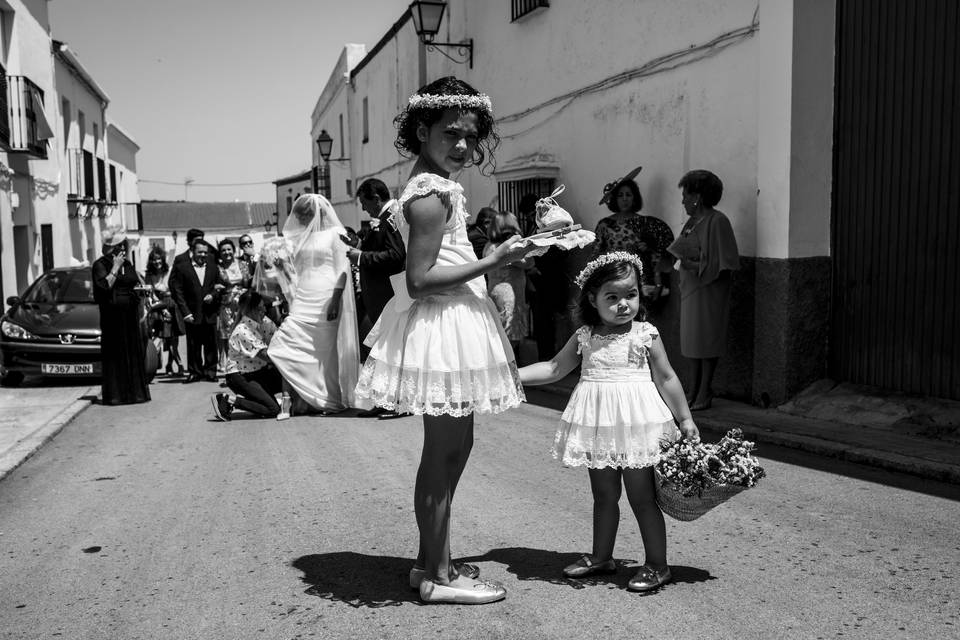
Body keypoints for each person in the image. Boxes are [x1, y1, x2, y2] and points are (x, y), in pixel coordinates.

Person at [355, 76, 538, 605]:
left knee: (456, 446)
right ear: (422, 129)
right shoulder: (430, 194)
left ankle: (429, 561)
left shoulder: (437, 185)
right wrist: (497, 260)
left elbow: (451, 261)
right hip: (444, 325)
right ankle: (439, 574)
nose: (463, 145)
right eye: (451, 132)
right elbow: (419, 279)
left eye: (471, 135)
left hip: (457, 318)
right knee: (442, 452)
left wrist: (494, 280)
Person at [518, 251, 699, 591]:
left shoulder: (646, 333)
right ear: (592, 298)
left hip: (636, 427)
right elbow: (555, 368)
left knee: (642, 496)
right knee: (603, 495)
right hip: (600, 426)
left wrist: (685, 418)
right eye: (611, 297)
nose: (622, 304)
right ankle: (602, 556)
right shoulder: (586, 335)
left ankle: (657, 564)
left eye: (630, 295)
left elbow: (667, 378)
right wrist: (512, 376)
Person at [266, 193, 360, 416]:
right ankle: (292, 400)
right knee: (283, 343)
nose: (303, 219)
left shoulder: (335, 234)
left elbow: (343, 269)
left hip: (327, 295)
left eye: (305, 214)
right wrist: (281, 269)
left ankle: (327, 400)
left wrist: (336, 299)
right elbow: (296, 270)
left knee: (324, 355)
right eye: (301, 215)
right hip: (303, 296)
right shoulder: (301, 238)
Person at [669, 170, 740, 411]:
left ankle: (705, 390)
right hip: (690, 288)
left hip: (710, 291)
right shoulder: (691, 223)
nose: (683, 201)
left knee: (707, 342)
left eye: (685, 195)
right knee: (691, 342)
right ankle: (693, 388)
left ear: (697, 196)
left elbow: (726, 263)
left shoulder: (718, 221)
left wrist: (693, 264)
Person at [348, 178, 408, 418]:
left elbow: (395, 255)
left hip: (388, 295)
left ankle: (396, 402)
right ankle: (384, 400)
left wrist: (361, 257)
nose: (363, 208)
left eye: (364, 202)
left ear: (376, 198)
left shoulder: (392, 216)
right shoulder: (383, 218)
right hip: (380, 297)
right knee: (382, 352)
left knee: (391, 351)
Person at [594, 171, 674, 312]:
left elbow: (658, 257)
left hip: (640, 284)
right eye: (620, 195)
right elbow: (596, 257)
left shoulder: (646, 224)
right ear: (614, 199)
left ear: (635, 198)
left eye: (628, 195)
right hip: (612, 282)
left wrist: (658, 284)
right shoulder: (604, 225)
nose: (625, 199)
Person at [91, 226, 151, 405]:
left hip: (130, 313)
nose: (123, 249)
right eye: (120, 246)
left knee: (132, 352)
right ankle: (116, 394)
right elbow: (104, 287)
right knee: (115, 353)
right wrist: (115, 268)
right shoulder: (100, 265)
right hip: (112, 316)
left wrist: (140, 291)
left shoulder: (128, 264)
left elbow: (132, 282)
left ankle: (135, 393)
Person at [211, 290, 283, 420]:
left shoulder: (264, 321)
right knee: (273, 409)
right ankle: (229, 400)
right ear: (252, 310)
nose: (264, 311)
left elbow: (280, 337)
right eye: (261, 309)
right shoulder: (242, 331)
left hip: (259, 372)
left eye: (264, 307)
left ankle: (257, 398)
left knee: (287, 379)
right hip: (240, 377)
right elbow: (266, 356)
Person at [169, 237, 227, 383]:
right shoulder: (183, 268)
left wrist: (213, 295)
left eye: (205, 253)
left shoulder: (213, 267)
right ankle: (194, 372)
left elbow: (219, 285)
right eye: (200, 252)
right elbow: (178, 291)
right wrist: (185, 312)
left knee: (210, 344)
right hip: (192, 313)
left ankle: (210, 372)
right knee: (193, 344)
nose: (202, 255)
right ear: (193, 252)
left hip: (209, 312)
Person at [483, 211, 532, 360]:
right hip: (509, 292)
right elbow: (528, 263)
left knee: (500, 332)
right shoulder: (507, 248)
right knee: (510, 335)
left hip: (496, 289)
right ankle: (511, 370)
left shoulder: (489, 246)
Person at [216, 238, 250, 373]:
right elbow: (215, 286)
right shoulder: (218, 268)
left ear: (234, 250)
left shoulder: (243, 264)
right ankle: (229, 362)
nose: (226, 252)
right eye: (223, 250)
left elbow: (250, 284)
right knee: (227, 335)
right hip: (226, 305)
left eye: (229, 249)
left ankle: (244, 362)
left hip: (242, 304)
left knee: (243, 333)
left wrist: (242, 291)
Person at [148, 283, 183, 376]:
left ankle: (180, 366)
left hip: (171, 329)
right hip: (170, 329)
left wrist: (151, 302)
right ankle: (169, 366)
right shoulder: (170, 300)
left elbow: (153, 307)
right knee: (171, 348)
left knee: (172, 348)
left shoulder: (166, 301)